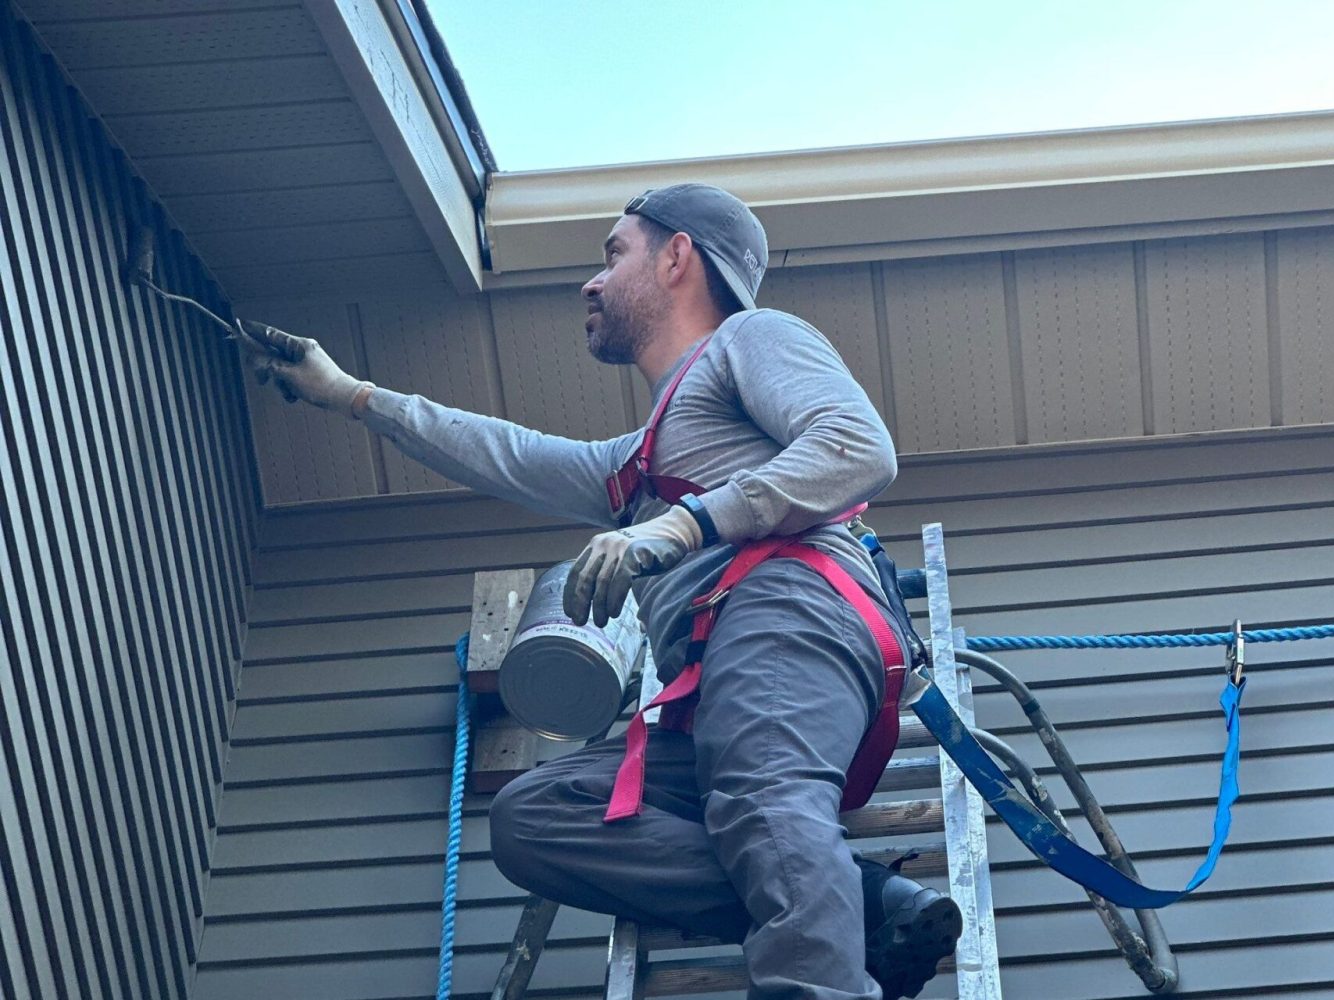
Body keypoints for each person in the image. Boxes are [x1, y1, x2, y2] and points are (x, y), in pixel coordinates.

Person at [245, 183, 961, 1000]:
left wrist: (683, 526)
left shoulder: (753, 339)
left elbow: (856, 446)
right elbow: (505, 452)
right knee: (536, 819)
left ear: (678, 257)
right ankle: (862, 906)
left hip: (783, 617)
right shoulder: (636, 460)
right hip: (718, 702)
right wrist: (353, 396)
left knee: (765, 801)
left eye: (613, 253)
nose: (592, 280)